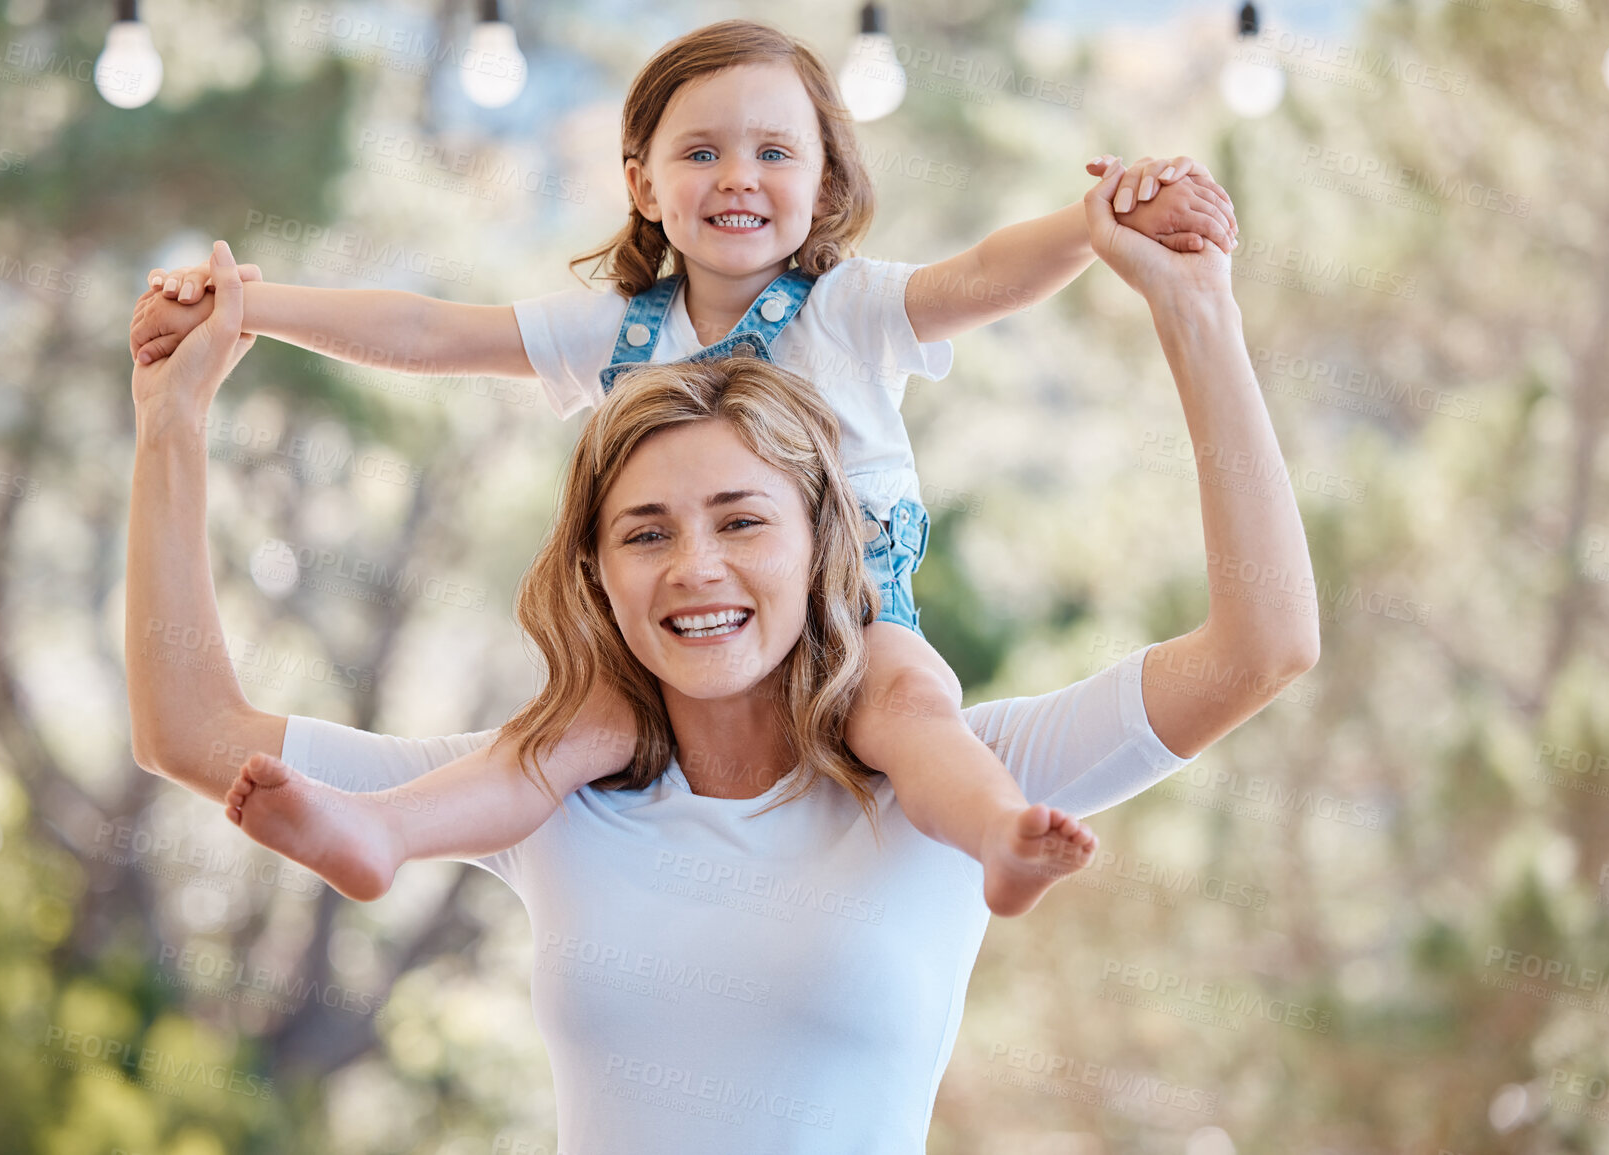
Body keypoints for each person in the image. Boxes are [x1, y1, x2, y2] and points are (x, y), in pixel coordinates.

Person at [124, 157, 1317, 1151]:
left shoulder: (954, 772)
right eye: (646, 533)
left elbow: (1261, 649)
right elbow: (190, 732)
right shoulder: (545, 789)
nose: (695, 568)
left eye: (743, 522)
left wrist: (1193, 306)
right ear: (598, 573)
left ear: (821, 551)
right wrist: (170, 425)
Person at [128, 19, 1241, 916]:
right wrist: (253, 307)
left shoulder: (851, 310)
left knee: (909, 707)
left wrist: (1096, 222)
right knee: (567, 736)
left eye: (773, 152)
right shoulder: (617, 327)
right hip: (678, 638)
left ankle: (997, 837)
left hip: (860, 613)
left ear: (824, 182)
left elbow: (989, 270)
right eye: (699, 152)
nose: (736, 177)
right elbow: (425, 330)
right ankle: (387, 829)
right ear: (644, 184)